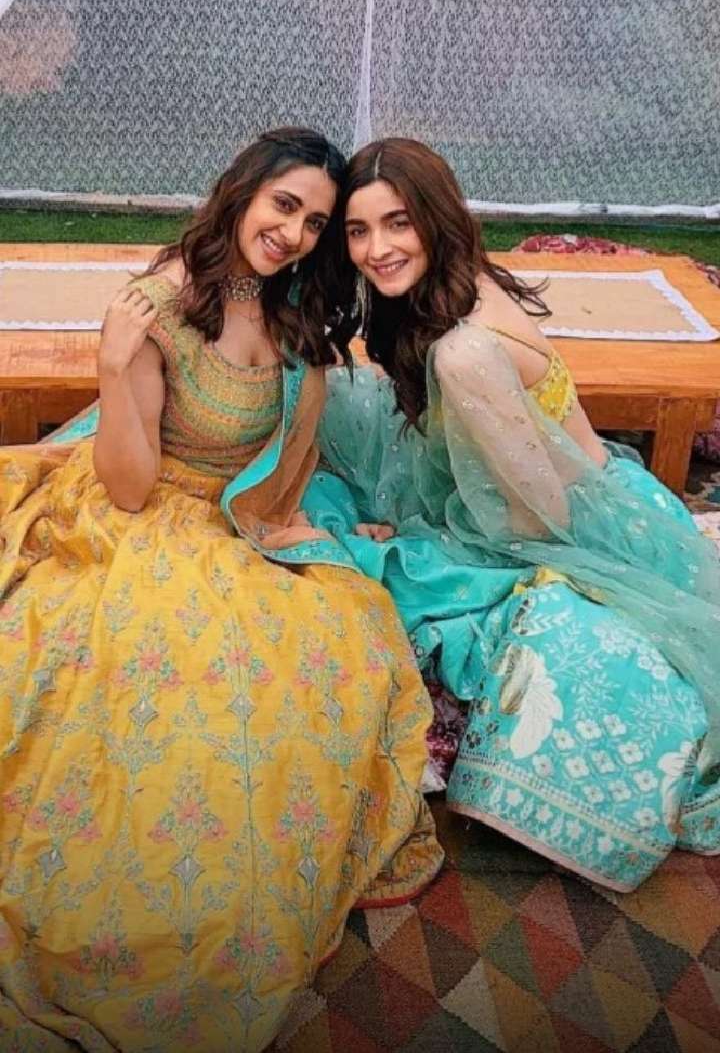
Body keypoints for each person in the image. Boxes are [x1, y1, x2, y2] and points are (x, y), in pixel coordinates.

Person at [0, 128, 442, 1053]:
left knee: (337, 643)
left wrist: (297, 521)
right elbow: (128, 487)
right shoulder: (163, 306)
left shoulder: (292, 305)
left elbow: (289, 451)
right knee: (156, 694)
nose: (294, 233)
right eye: (285, 206)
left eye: (315, 222)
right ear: (243, 192)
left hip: (243, 518)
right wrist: (113, 366)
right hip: (149, 513)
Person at [304, 136, 720, 892]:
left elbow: (542, 515)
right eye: (358, 231)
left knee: (382, 570)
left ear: (434, 218)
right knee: (323, 408)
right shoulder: (453, 289)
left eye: (397, 223)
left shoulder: (464, 352)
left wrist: (419, 538)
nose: (376, 249)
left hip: (582, 527)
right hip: (580, 493)